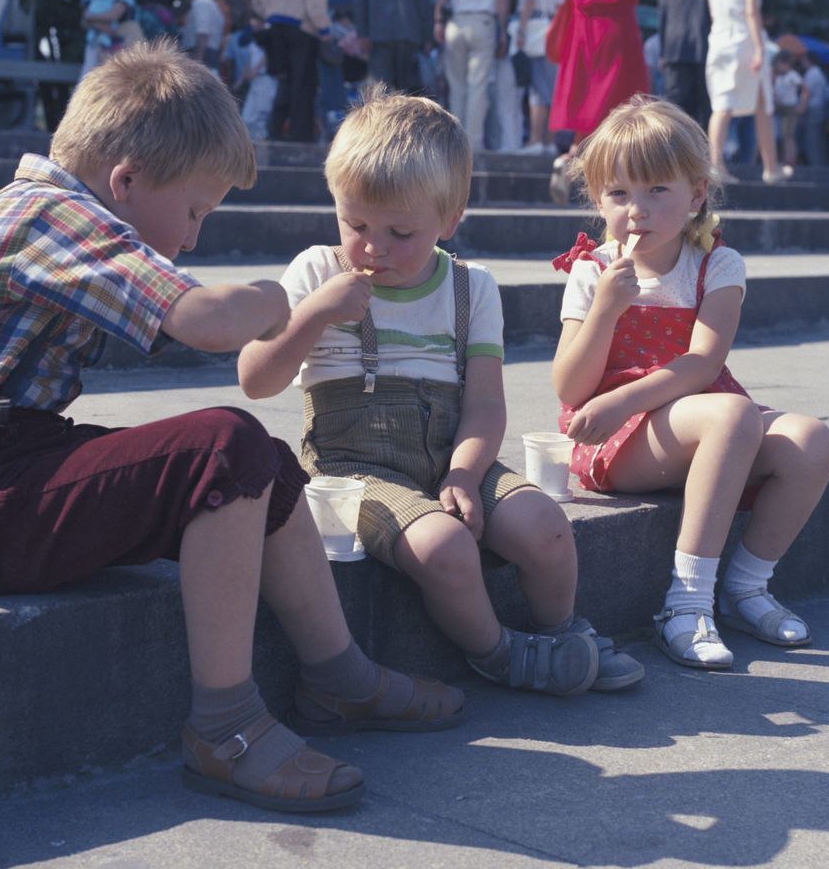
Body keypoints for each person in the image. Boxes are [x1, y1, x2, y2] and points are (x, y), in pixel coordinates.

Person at [0, 44, 462, 814]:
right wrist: (279, 298)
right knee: (221, 446)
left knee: (262, 457)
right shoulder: (53, 217)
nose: (190, 237)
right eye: (193, 210)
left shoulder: (40, 209)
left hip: (3, 461)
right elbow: (209, 322)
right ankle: (225, 727)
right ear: (126, 180)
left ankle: (340, 677)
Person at [238, 88, 644, 697]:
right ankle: (500, 654)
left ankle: (561, 631)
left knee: (546, 526)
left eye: (401, 230)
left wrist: (462, 472)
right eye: (355, 223)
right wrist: (315, 315)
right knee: (446, 546)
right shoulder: (317, 272)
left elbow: (483, 405)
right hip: (353, 470)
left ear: (449, 220)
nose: (373, 246)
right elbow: (255, 378)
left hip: (452, 452)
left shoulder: (471, 288)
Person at [550, 96, 829, 670]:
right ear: (598, 200)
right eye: (619, 194)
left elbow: (704, 364)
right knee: (730, 415)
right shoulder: (593, 269)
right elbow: (570, 387)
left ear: (696, 194)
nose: (637, 210)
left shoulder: (715, 265)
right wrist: (606, 309)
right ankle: (685, 602)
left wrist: (630, 394)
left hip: (693, 412)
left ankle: (747, 586)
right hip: (618, 436)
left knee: (811, 440)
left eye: (658, 191)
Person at [548, 0, 663, 203]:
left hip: (584, 28)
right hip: (618, 27)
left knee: (588, 99)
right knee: (622, 101)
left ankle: (572, 158)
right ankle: (594, 166)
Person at [701, 0, 790, 184]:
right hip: (745, 40)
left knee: (721, 105)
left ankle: (715, 166)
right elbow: (752, 11)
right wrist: (760, 47)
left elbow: (712, 13)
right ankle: (771, 168)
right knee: (763, 102)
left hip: (719, 40)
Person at [434, 0, 516, 151]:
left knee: (456, 85)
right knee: (478, 87)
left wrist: (438, 19)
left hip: (456, 23)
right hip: (483, 23)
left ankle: (454, 144)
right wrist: (502, 31)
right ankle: (473, 144)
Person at [252, 0, 331, 143]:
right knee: (303, 86)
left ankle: (274, 132)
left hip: (273, 27)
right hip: (302, 29)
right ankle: (300, 140)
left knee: (283, 80)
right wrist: (324, 28)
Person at [515, 0, 564, 155]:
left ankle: (535, 140)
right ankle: (550, 141)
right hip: (554, 29)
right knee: (553, 88)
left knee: (536, 88)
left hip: (535, 27)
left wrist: (521, 28)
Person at [657, 0, 714, 128]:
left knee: (675, 105)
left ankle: (672, 149)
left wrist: (663, 52)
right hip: (705, 49)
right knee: (706, 105)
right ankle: (703, 152)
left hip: (675, 49)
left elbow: (662, 19)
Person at [79, 0, 135, 79]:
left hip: (120, 47)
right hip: (97, 44)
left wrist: (92, 19)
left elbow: (113, 16)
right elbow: (84, 21)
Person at [183, 0, 226, 77]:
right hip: (208, 54)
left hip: (203, 55)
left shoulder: (202, 2)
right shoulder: (209, 2)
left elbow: (203, 32)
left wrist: (198, 61)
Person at [771, 50, 806, 169]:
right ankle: (783, 158)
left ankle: (790, 160)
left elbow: (805, 90)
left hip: (790, 108)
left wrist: (801, 105)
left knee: (788, 135)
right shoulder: (778, 76)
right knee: (782, 134)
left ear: (785, 64)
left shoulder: (793, 75)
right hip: (780, 107)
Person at [801, 55, 829, 168]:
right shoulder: (820, 73)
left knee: (813, 140)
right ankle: (820, 164)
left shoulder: (811, 73)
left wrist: (801, 108)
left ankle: (815, 165)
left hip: (813, 109)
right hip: (821, 108)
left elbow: (806, 93)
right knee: (819, 139)